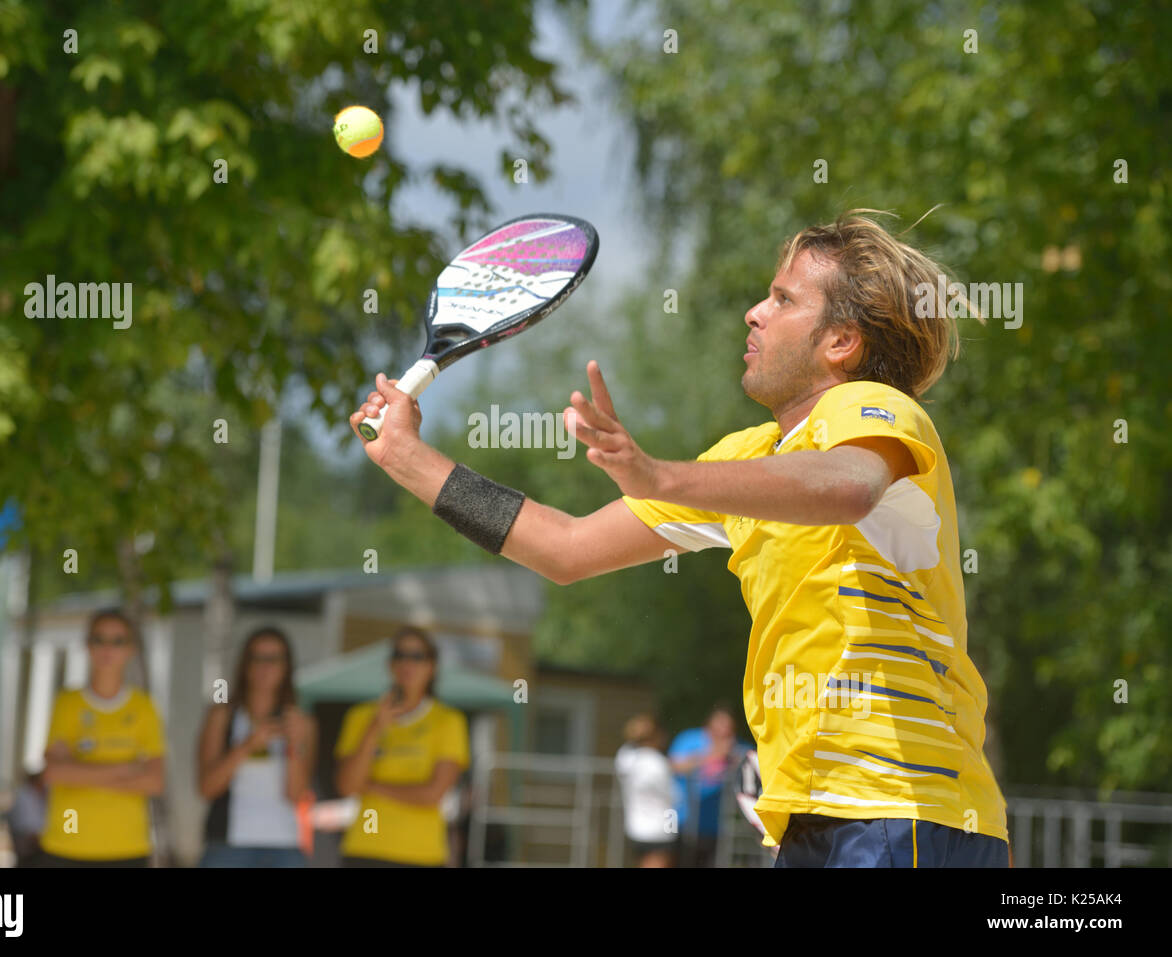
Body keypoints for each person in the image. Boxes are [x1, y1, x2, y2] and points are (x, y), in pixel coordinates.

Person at [350, 210, 1010, 867]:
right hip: (816, 819)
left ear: (841, 341)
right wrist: (408, 456)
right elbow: (565, 548)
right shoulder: (748, 457)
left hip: (902, 810)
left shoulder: (880, 409)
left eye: (782, 299)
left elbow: (848, 487)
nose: (754, 312)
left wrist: (658, 474)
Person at [35, 609, 166, 866]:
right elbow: (53, 773)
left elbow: (153, 782)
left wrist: (80, 773)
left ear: (131, 649)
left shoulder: (144, 708)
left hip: (127, 848)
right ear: (87, 645)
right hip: (66, 845)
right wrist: (126, 769)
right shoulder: (67, 703)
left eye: (118, 641)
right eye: (99, 639)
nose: (108, 648)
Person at [334, 626, 470, 867]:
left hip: (422, 855)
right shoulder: (361, 717)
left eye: (417, 656)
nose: (407, 663)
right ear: (390, 664)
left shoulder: (449, 721)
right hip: (364, 849)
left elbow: (432, 794)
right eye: (400, 655)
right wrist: (375, 728)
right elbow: (347, 786)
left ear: (432, 666)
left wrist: (371, 786)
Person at [197, 626, 316, 867]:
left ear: (287, 666)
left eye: (274, 659)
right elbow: (206, 788)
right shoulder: (222, 715)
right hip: (227, 846)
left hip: (285, 845)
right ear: (245, 663)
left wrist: (294, 745)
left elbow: (296, 795)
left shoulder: (302, 722)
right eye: (257, 658)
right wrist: (246, 746)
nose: (265, 667)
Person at [668, 704, 752, 867]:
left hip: (715, 827)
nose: (724, 731)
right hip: (680, 821)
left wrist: (736, 760)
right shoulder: (690, 739)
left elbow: (756, 763)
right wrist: (711, 755)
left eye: (729, 727)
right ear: (709, 724)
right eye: (720, 725)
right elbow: (674, 766)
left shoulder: (736, 747)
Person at [614, 714, 676, 867]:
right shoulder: (657, 762)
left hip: (635, 826)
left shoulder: (625, 758)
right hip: (661, 828)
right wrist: (673, 831)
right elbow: (673, 796)